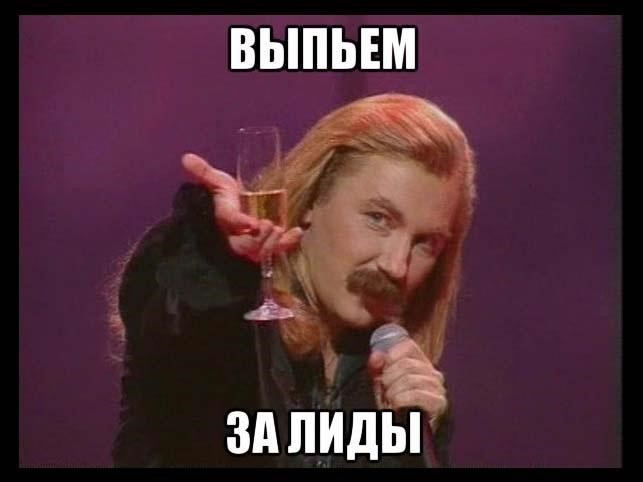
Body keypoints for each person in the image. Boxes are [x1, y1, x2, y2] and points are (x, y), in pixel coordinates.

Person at [108, 93, 477, 467]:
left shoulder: (405, 392)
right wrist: (216, 252)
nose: (396, 266)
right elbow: (170, 309)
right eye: (378, 219)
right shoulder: (218, 320)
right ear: (313, 198)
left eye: (425, 243)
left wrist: (411, 444)